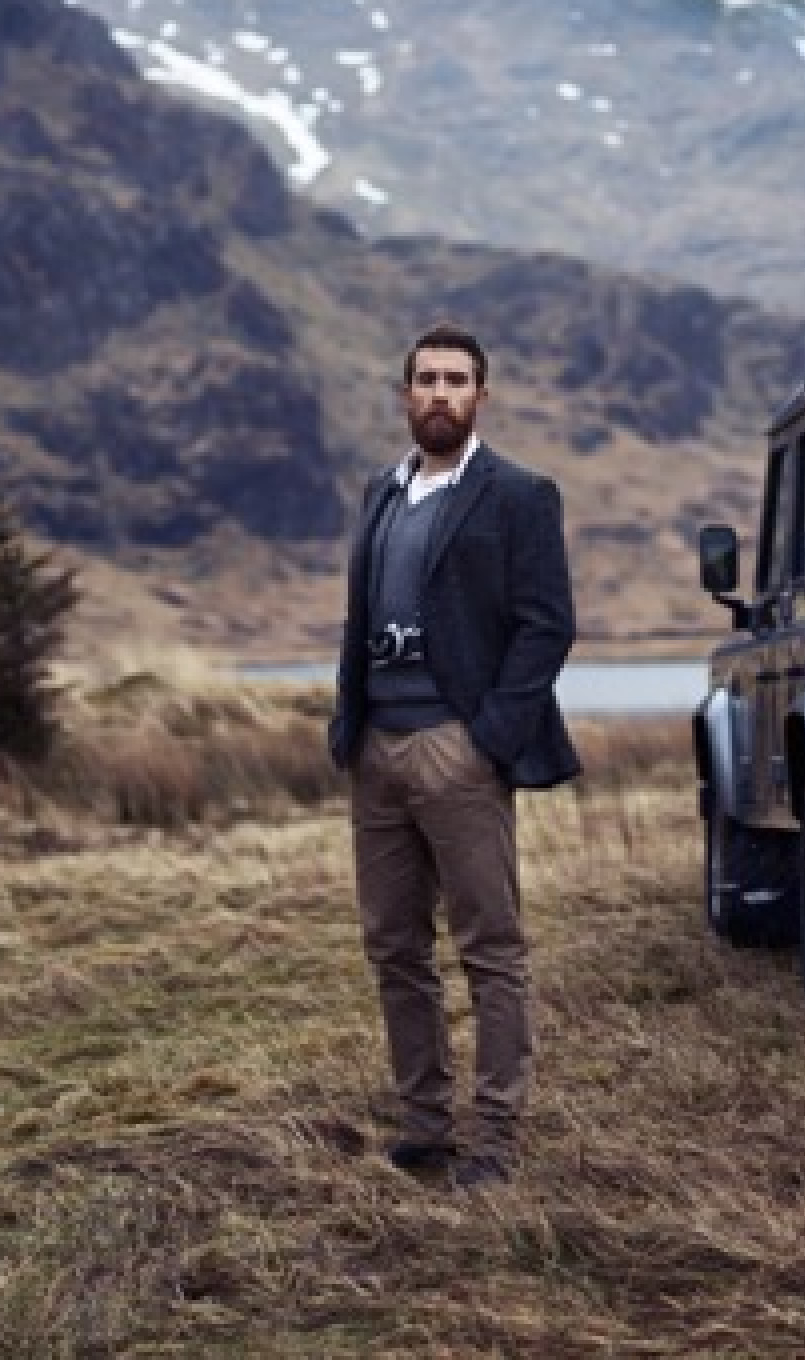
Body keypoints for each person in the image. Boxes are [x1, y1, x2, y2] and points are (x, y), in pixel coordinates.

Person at [329, 321, 580, 1191]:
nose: (440, 394)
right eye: (426, 379)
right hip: (378, 752)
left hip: (456, 749)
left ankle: (496, 1138)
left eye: (457, 380)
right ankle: (426, 1124)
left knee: (490, 948)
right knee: (394, 946)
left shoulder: (517, 494)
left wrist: (488, 739)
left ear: (481, 395)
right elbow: (358, 622)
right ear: (404, 394)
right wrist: (350, 731)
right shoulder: (381, 493)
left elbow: (548, 624)